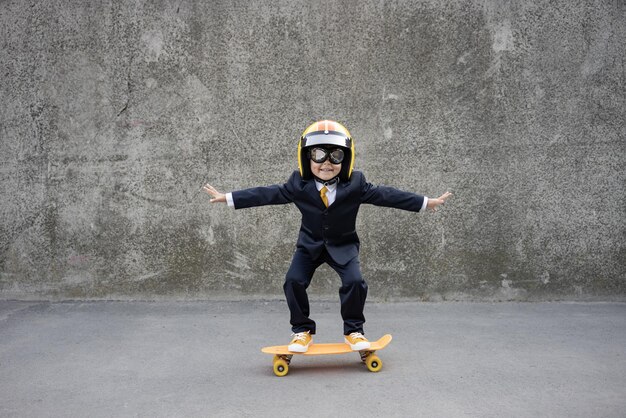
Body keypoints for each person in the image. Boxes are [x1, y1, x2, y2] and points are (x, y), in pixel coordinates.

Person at [203, 120, 451, 353]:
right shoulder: (297, 185)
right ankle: (301, 330)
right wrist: (229, 197)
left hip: (343, 245)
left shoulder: (357, 184)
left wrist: (425, 202)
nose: (326, 163)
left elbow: (388, 195)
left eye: (336, 156)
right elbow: (266, 194)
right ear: (306, 158)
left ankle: (354, 330)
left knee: (355, 282)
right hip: (309, 246)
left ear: (347, 159)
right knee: (293, 281)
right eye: (318, 155)